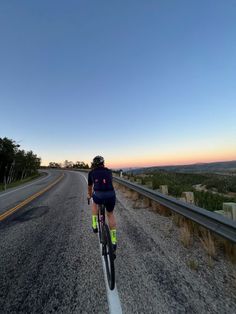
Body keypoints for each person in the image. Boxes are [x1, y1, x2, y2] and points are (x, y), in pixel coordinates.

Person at [87, 155, 117, 252]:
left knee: (94, 203)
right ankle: (113, 240)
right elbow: (109, 182)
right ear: (103, 163)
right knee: (110, 214)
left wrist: (90, 195)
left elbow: (90, 187)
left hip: (99, 196)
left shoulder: (91, 173)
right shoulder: (109, 171)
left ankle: (95, 224)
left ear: (94, 164)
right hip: (111, 195)